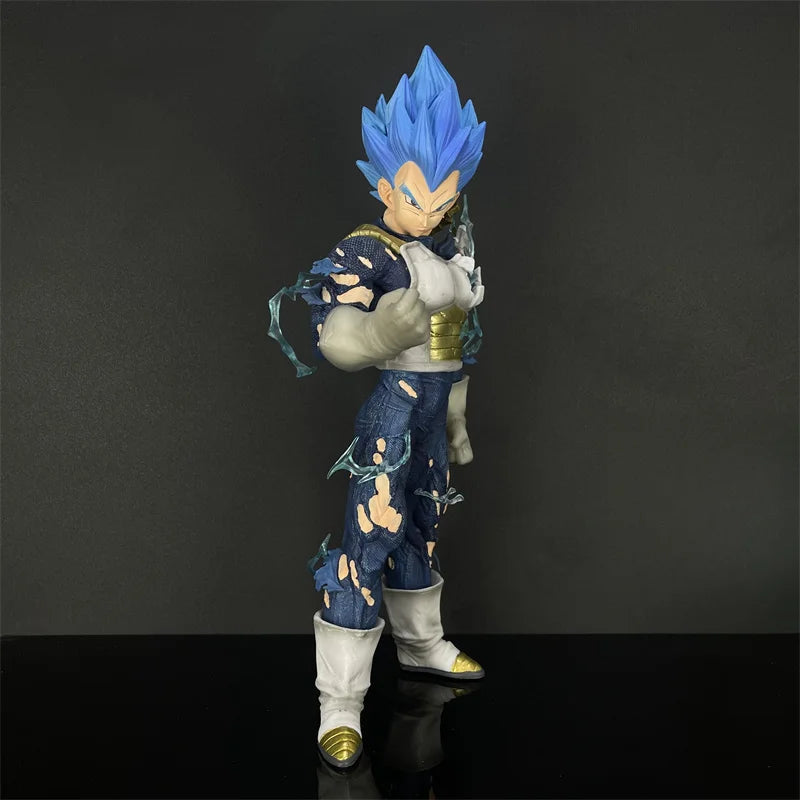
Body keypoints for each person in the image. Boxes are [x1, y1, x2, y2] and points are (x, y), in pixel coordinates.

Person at [281, 45, 487, 769]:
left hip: (433, 411)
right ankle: (340, 701)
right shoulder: (366, 251)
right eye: (415, 197)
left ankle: (421, 645)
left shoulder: (452, 251)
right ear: (383, 185)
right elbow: (335, 335)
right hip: (393, 411)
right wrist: (375, 334)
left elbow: (455, 345)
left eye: (443, 199)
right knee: (370, 537)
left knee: (424, 528)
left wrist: (456, 416)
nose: (429, 212)